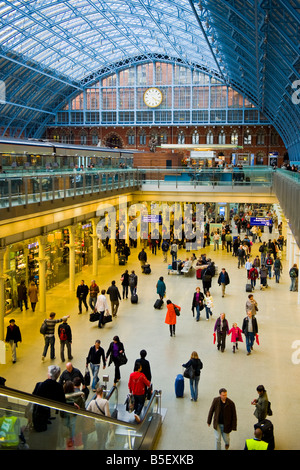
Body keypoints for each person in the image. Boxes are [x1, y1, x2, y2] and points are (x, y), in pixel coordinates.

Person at [32, 365, 66, 432]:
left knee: (42, 429)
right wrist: (72, 404)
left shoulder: (39, 385)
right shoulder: (59, 387)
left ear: (49, 374)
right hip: (48, 409)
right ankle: (47, 419)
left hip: (40, 411)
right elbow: (62, 402)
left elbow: (33, 397)